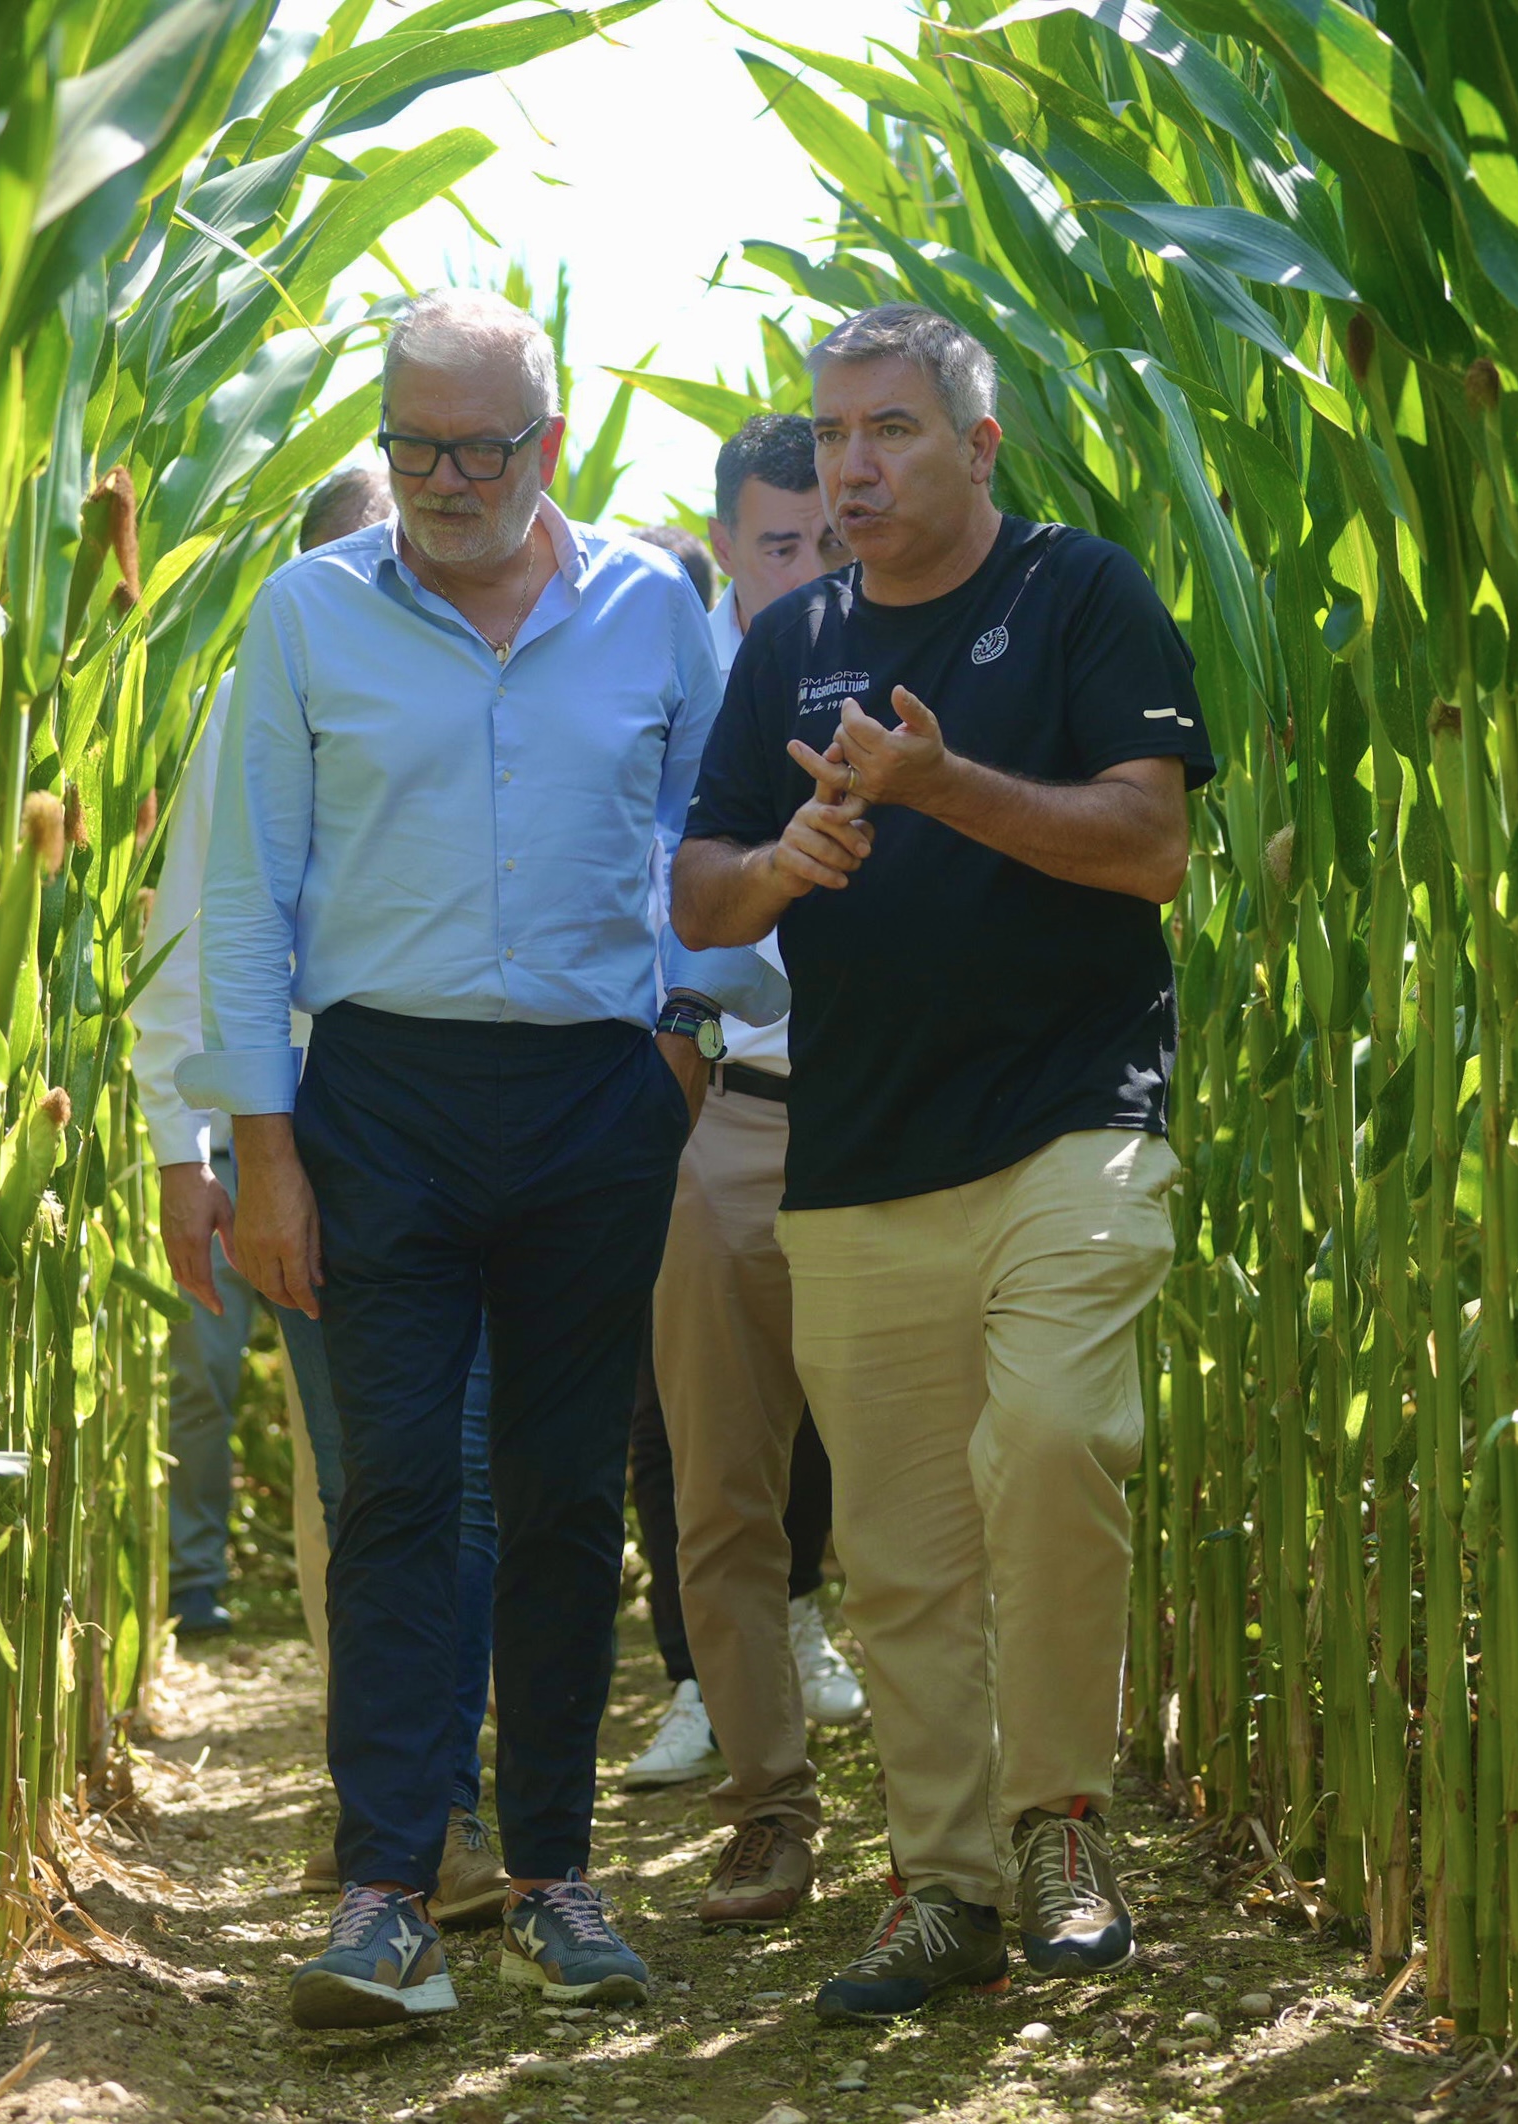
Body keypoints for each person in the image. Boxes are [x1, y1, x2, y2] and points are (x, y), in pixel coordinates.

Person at [180, 289, 783, 2030]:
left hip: (597, 1096)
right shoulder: (306, 614)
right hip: (377, 1098)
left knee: (562, 1494)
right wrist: (265, 1151)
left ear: (551, 438)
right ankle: (384, 1893)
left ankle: (553, 1878)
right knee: (389, 1495)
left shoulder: (656, 612)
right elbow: (245, 899)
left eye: (478, 446)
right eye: (413, 444)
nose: (442, 479)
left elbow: (709, 846)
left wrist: (681, 1038)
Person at [673, 305, 1208, 2022]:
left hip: (1072, 1121)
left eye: (890, 431)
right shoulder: (788, 644)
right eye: (833, 437)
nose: (851, 468)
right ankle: (942, 1888)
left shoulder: (1079, 595)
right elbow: (695, 896)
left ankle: (1059, 1823)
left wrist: (937, 785)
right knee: (897, 1549)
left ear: (975, 448)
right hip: (858, 1151)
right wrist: (787, 860)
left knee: (1053, 1437)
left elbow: (1148, 848)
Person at [129, 464, 506, 1930]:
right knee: (384, 1481)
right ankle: (418, 1817)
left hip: (508, 1135)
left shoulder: (504, 692)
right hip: (327, 1145)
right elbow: (191, 934)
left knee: (470, 1480)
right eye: (369, 562)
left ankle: (425, 1809)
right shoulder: (260, 696)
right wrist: (191, 1156)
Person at [623, 415, 868, 1938]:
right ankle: (737, 1758)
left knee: (882, 1446)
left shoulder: (893, 662)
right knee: (696, 1445)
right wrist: (675, 1035)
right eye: (780, 544)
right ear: (725, 542)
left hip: (879, 1103)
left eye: (828, 544)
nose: (807, 573)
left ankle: (938, 1814)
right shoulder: (673, 671)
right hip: (707, 1084)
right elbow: (645, 875)